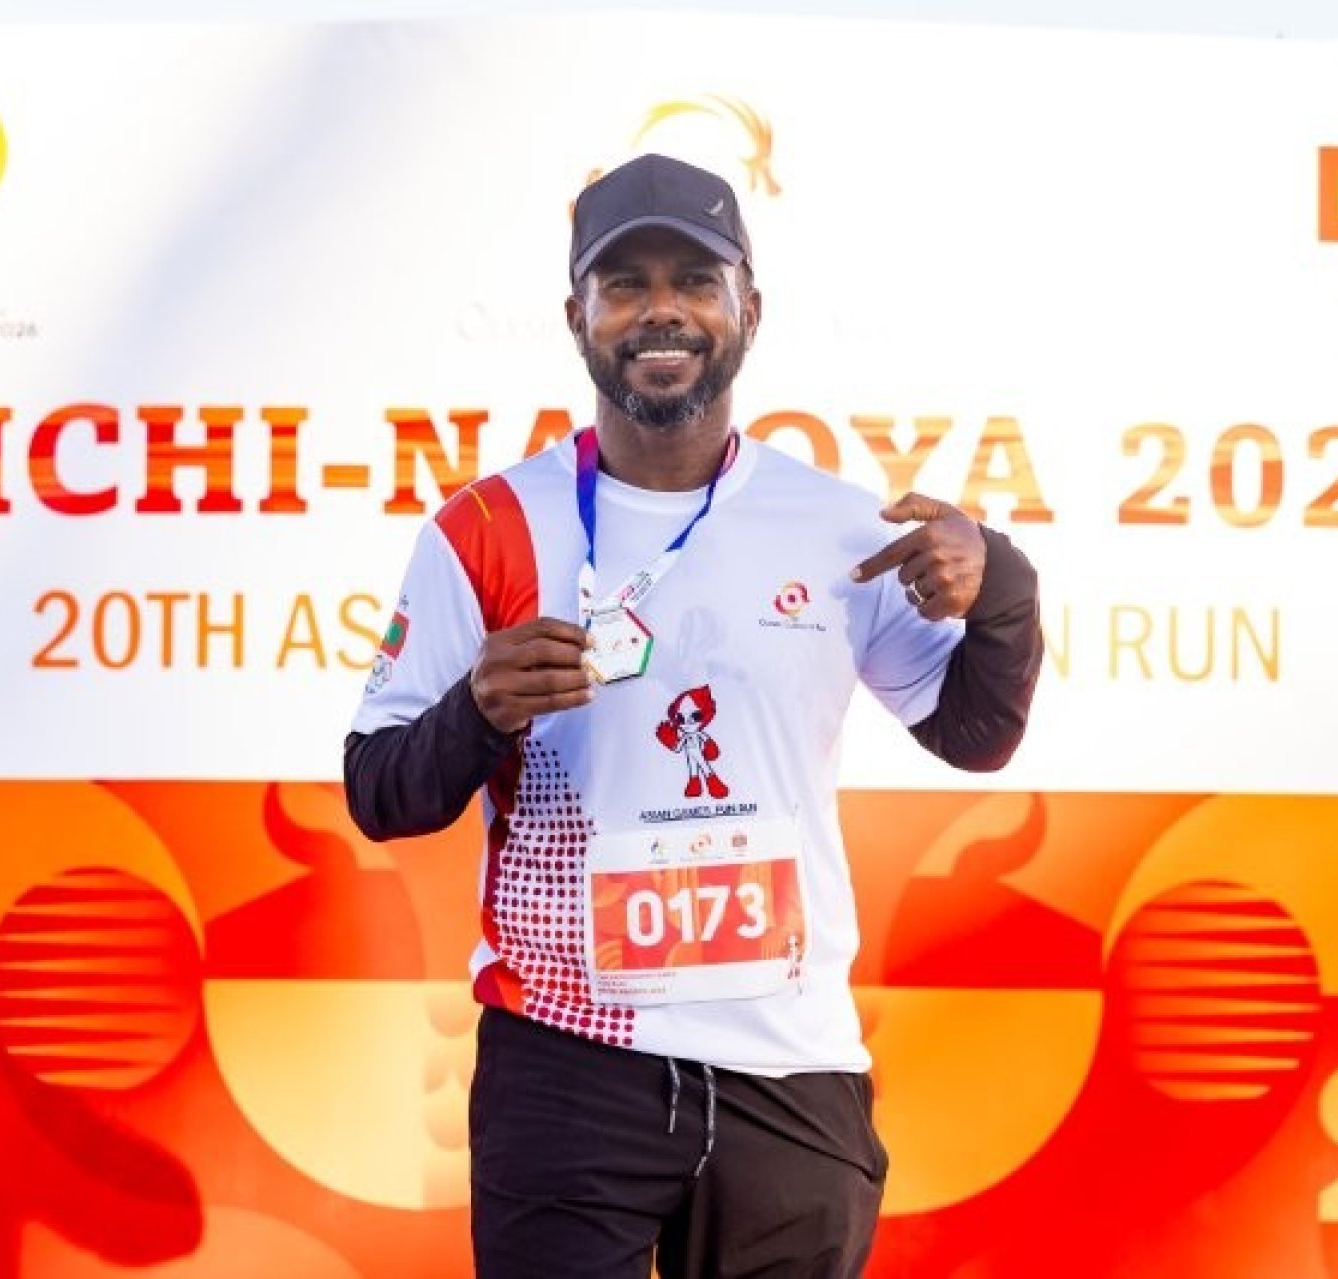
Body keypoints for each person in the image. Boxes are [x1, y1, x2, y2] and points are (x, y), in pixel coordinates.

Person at [345, 153, 1042, 1278]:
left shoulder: (836, 525)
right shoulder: (486, 529)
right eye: (624, 283)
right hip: (569, 1061)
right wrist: (475, 712)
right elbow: (379, 791)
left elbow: (975, 734)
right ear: (576, 315)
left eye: (695, 281)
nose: (660, 309)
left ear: (748, 310)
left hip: (789, 1066)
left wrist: (1003, 585)